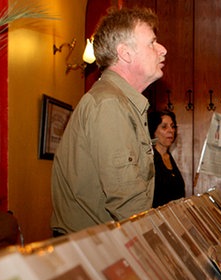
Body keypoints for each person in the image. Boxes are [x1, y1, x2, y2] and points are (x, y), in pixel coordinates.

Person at [51, 7, 167, 236]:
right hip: (93, 250)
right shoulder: (109, 103)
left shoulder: (120, 102)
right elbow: (127, 201)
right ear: (125, 53)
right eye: (152, 43)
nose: (162, 50)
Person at [148, 109, 185, 208]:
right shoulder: (149, 159)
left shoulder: (169, 157)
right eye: (164, 127)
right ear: (154, 131)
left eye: (172, 126)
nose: (171, 130)